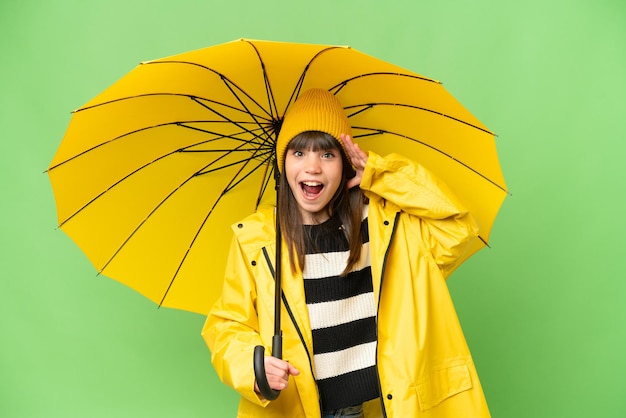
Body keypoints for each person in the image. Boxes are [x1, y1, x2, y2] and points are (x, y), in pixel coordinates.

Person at [203, 88, 491, 417]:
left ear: (345, 164)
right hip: (300, 407)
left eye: (327, 154)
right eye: (298, 153)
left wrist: (383, 175)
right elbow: (226, 325)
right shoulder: (257, 240)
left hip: (378, 407)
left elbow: (456, 226)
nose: (312, 167)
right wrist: (253, 367)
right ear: (282, 164)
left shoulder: (385, 227)